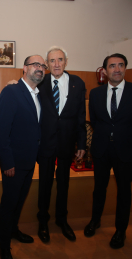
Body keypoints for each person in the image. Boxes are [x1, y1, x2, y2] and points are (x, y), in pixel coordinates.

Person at [84, 53, 132, 249]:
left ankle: (120, 230)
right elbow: (95, 121)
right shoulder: (95, 94)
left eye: (121, 65)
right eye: (112, 66)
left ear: (125, 68)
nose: (117, 69)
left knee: (124, 191)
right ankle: (95, 220)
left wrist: (129, 138)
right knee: (99, 189)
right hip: (102, 150)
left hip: (127, 151)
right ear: (104, 71)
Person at [0, 55, 46, 259]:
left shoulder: (39, 95)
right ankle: (3, 244)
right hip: (13, 163)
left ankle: (13, 231)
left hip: (29, 161)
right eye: (35, 64)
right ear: (24, 68)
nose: (40, 68)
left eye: (42, 65)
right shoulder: (12, 91)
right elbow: (1, 130)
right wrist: (7, 161)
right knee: (9, 204)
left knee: (19, 201)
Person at [36, 46, 87, 243]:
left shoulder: (78, 83)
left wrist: (81, 143)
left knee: (64, 184)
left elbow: (81, 116)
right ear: (47, 64)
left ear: (66, 62)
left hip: (67, 143)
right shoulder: (40, 82)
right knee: (45, 185)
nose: (56, 64)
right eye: (52, 61)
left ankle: (62, 220)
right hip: (45, 143)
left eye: (60, 60)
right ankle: (43, 221)